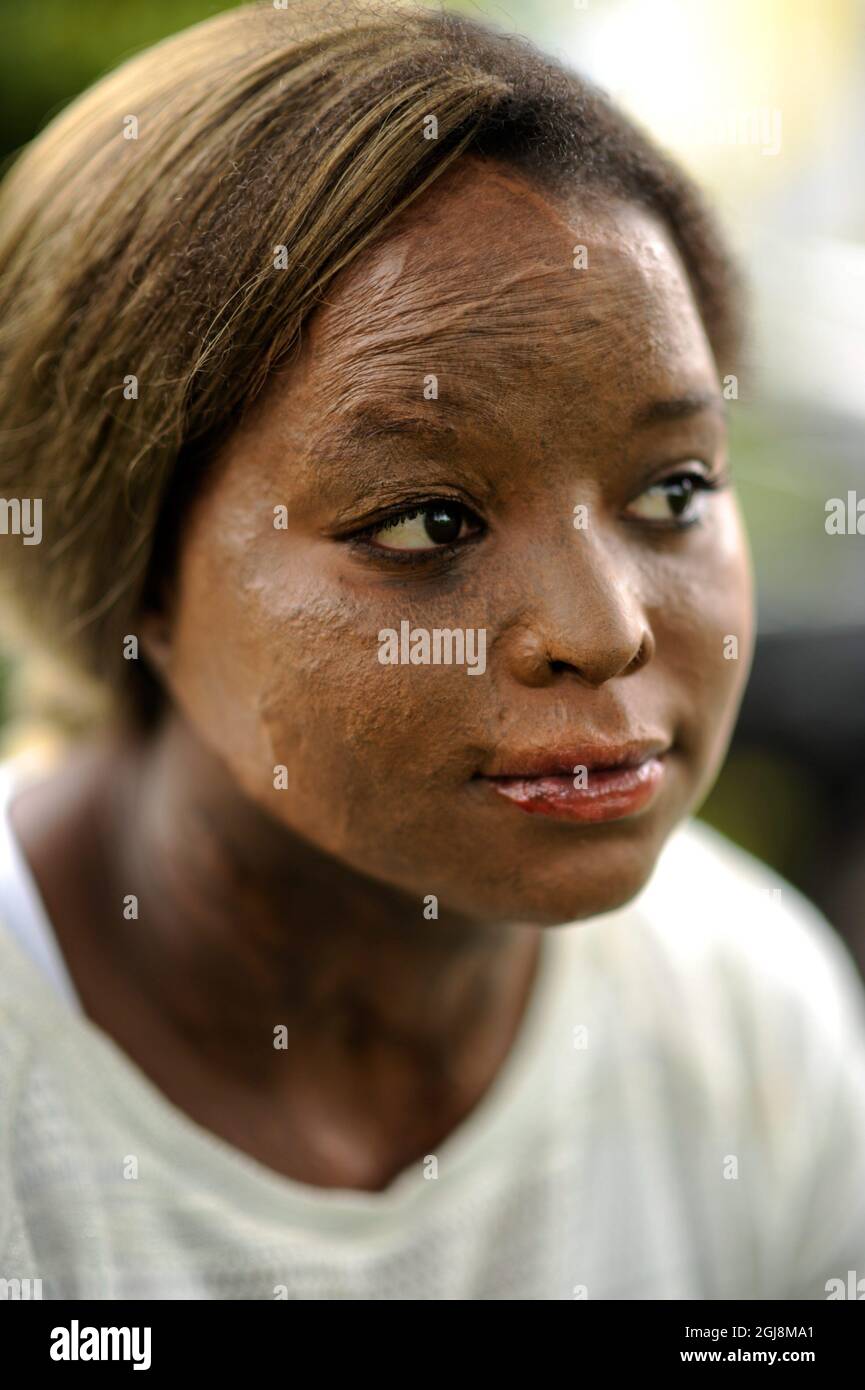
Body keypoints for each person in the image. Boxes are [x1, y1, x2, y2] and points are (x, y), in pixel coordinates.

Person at [0, 0, 863, 1301]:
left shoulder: (744, 1020)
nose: (603, 628)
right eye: (426, 522)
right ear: (139, 574)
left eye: (673, 493)